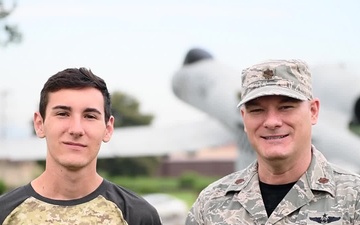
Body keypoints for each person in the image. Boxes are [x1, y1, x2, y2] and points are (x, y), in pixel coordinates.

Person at [186, 59, 360, 224]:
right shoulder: (210, 204)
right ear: (244, 118)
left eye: (286, 107)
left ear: (313, 111)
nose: (271, 122)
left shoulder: (354, 199)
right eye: (257, 110)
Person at [0, 68, 162, 225]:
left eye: (90, 116)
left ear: (108, 128)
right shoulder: (4, 213)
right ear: (39, 124)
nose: (76, 129)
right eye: (62, 114)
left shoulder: (138, 216)